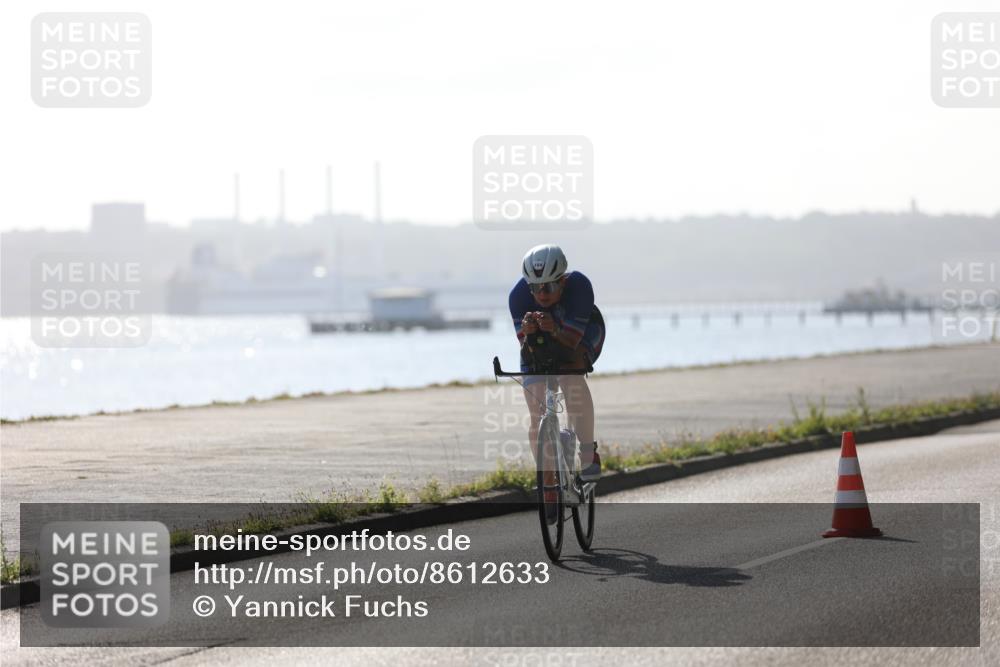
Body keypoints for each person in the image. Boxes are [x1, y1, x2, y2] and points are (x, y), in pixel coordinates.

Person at [508, 244, 605, 484]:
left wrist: (556, 328)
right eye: (535, 287)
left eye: (549, 286)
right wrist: (529, 333)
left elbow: (571, 343)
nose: (541, 294)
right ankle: (548, 480)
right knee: (536, 412)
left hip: (581, 334)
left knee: (570, 375)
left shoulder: (579, 287)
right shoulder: (518, 297)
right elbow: (528, 352)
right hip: (542, 343)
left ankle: (587, 452)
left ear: (562, 280)